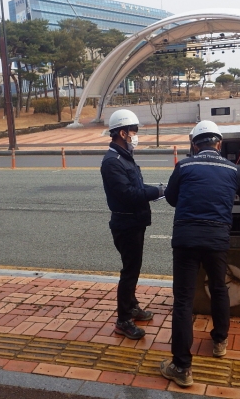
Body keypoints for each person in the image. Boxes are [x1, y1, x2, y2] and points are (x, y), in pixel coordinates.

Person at [160, 120, 240, 388]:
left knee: (183, 300)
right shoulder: (231, 168)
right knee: (218, 288)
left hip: (186, 239)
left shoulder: (184, 166)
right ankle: (219, 342)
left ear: (194, 145)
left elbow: (171, 198)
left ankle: (182, 367)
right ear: (219, 144)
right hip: (216, 239)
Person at [100, 109, 165, 340]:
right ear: (122, 133)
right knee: (129, 271)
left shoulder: (124, 157)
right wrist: (157, 191)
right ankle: (123, 320)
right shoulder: (112, 162)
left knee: (133, 268)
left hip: (134, 221)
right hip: (126, 223)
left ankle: (132, 306)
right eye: (134, 132)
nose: (136, 136)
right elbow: (128, 194)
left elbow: (136, 187)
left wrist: (158, 190)